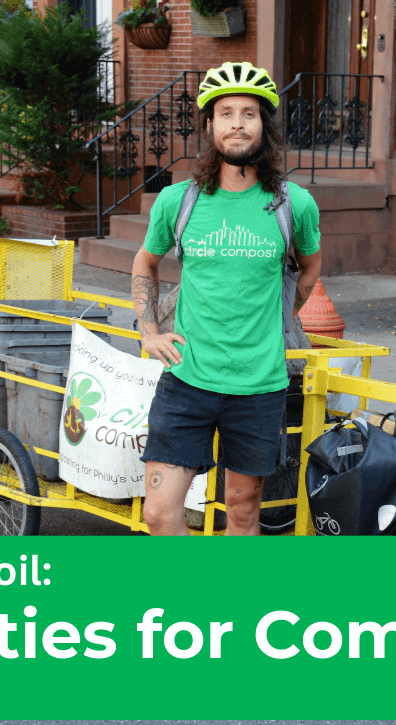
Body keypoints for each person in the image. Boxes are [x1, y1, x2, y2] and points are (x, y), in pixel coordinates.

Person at [130, 62, 322, 536]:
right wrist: (149, 332)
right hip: (187, 380)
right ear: (210, 125)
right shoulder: (178, 201)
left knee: (241, 512)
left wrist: (279, 320)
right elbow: (145, 264)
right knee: (158, 513)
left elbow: (310, 269)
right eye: (226, 113)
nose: (237, 123)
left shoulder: (293, 204)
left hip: (258, 387)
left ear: (264, 126)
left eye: (249, 114)